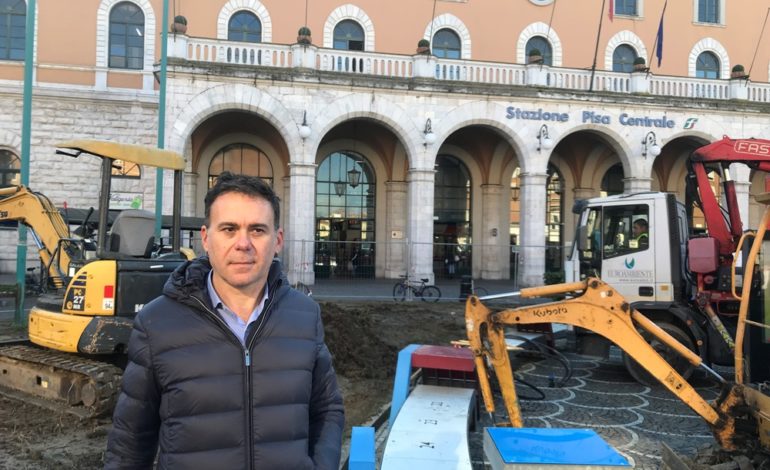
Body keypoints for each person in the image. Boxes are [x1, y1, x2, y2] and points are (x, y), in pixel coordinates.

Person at [105, 172, 344, 469]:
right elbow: (130, 442)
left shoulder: (305, 316)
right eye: (229, 229)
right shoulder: (157, 323)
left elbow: (328, 410)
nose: (243, 243)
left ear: (277, 240)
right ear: (206, 238)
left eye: (257, 230)